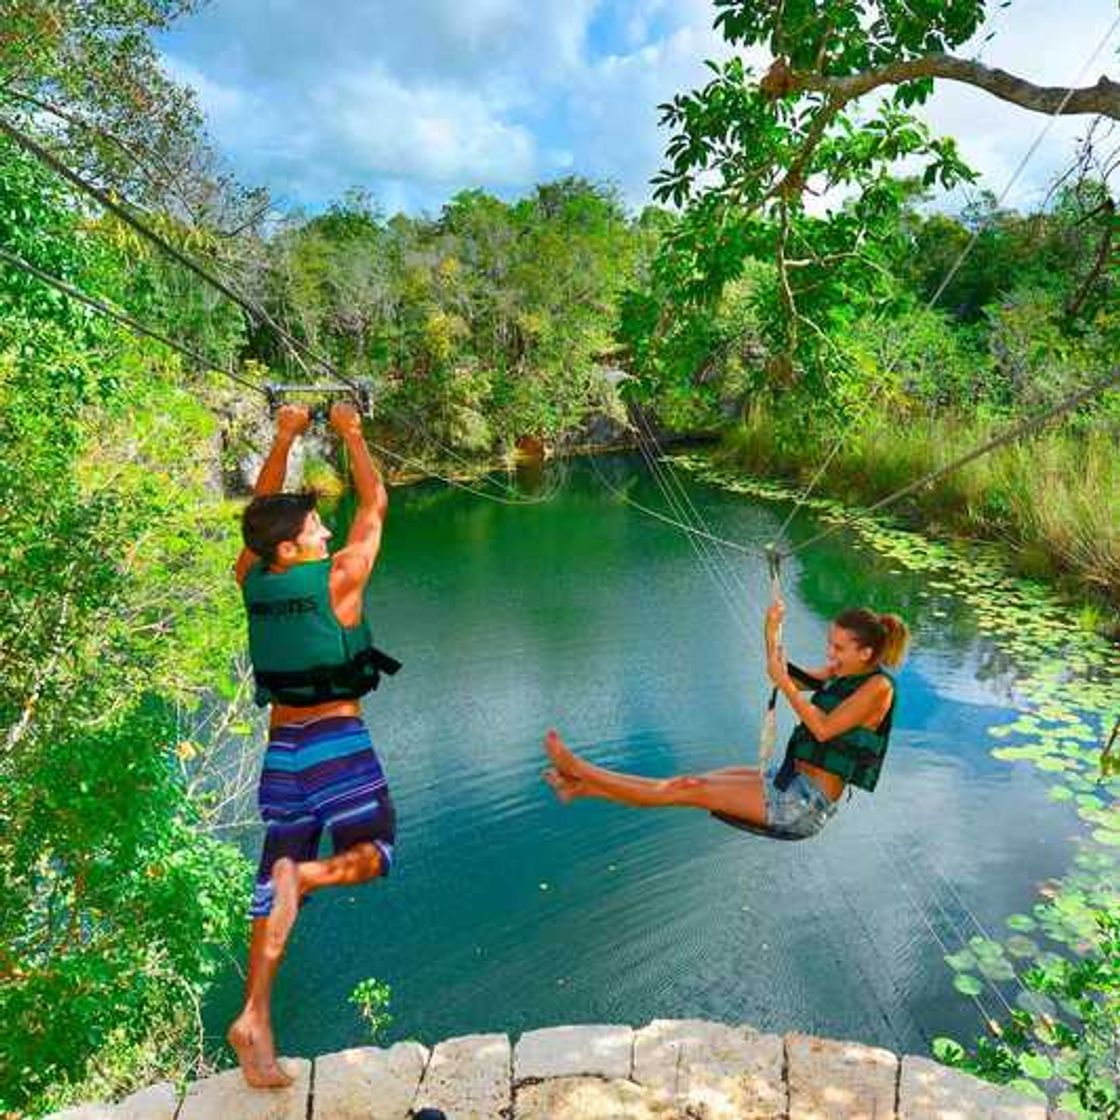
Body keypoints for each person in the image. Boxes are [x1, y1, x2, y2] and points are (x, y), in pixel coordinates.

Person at [227, 402, 400, 1088]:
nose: (326, 531)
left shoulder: (250, 574)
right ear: (291, 550)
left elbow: (260, 513)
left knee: (271, 881)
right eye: (313, 528)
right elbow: (375, 504)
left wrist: (285, 437)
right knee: (374, 855)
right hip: (334, 745)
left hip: (282, 757)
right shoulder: (339, 579)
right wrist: (353, 434)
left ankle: (255, 1017)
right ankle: (305, 875)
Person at [543, 600, 908, 839]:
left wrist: (785, 684)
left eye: (838, 648)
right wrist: (771, 630)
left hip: (801, 806)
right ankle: (581, 787)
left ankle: (580, 769)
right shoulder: (843, 673)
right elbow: (782, 676)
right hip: (786, 781)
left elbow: (823, 729)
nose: (830, 653)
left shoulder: (878, 688)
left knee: (686, 790)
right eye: (830, 643)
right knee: (688, 783)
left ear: (866, 653)